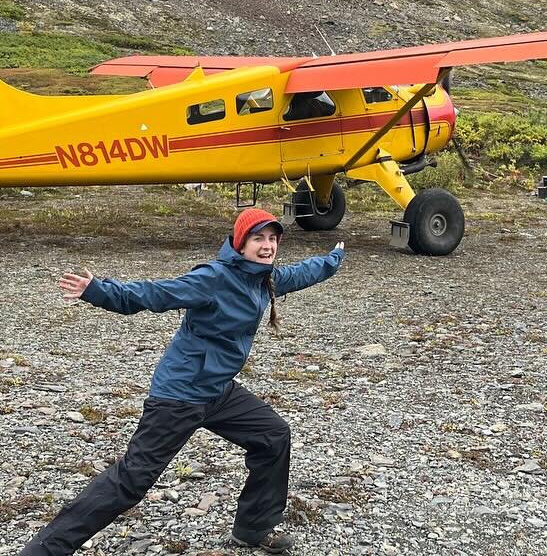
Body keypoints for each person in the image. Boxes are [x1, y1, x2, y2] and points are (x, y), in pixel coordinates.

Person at [20, 208, 345, 555]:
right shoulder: (213, 278)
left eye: (272, 239)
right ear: (240, 243)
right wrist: (98, 291)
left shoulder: (262, 277)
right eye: (257, 238)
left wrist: (333, 259)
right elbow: (153, 294)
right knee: (132, 481)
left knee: (273, 436)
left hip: (218, 392)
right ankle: (42, 551)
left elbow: (299, 274)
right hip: (180, 396)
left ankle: (253, 529)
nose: (266, 246)